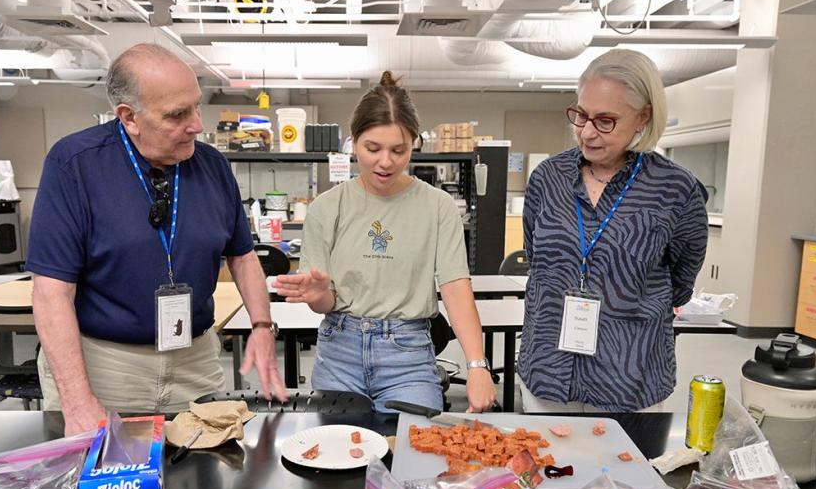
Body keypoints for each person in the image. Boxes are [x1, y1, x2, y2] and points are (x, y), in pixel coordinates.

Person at [28, 43, 286, 435]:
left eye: (196, 107)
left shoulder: (212, 166)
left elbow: (243, 257)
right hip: (106, 367)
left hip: (194, 364)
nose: (197, 124)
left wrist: (263, 327)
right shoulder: (74, 165)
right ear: (129, 117)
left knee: (204, 484)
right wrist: (77, 400)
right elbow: (51, 293)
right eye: (177, 115)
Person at [273, 71, 496, 413]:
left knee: (412, 455)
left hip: (408, 355)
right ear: (353, 141)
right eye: (372, 148)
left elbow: (455, 288)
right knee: (340, 458)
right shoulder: (326, 208)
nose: (386, 161)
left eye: (399, 149)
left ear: (414, 144)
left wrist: (477, 365)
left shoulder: (438, 207)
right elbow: (324, 302)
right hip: (339, 353)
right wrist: (319, 296)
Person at [518, 49, 708, 413]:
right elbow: (537, 258)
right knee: (547, 466)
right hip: (548, 368)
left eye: (605, 120)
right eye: (581, 116)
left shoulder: (675, 190)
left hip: (629, 374)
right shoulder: (548, 178)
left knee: (626, 469)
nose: (587, 132)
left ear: (643, 117)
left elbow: (681, 282)